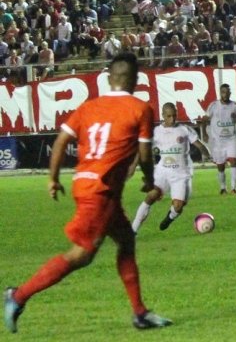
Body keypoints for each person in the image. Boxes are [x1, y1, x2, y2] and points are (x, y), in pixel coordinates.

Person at [4, 54, 172, 333]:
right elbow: (144, 152)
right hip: (101, 191)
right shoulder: (140, 108)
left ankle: (140, 312)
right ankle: (18, 296)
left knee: (126, 240)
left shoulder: (89, 106)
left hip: (85, 183)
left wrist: (53, 179)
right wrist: (149, 179)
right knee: (81, 255)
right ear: (136, 80)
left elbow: (60, 142)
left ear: (108, 79)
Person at [131, 102, 209, 233]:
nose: (172, 119)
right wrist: (134, 164)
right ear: (163, 115)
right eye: (168, 116)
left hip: (181, 173)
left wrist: (207, 153)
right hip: (163, 171)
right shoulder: (156, 131)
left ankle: (170, 217)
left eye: (174, 115)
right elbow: (143, 148)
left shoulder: (184, 129)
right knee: (151, 196)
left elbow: (199, 144)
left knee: (178, 206)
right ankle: (133, 231)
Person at [201, 84, 236, 195]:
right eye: (223, 92)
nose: (225, 94)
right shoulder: (214, 106)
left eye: (227, 92)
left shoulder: (234, 106)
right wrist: (204, 132)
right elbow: (204, 119)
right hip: (218, 141)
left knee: (234, 161)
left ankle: (234, 188)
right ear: (221, 93)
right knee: (220, 166)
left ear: (230, 93)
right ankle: (223, 187)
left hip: (231, 139)